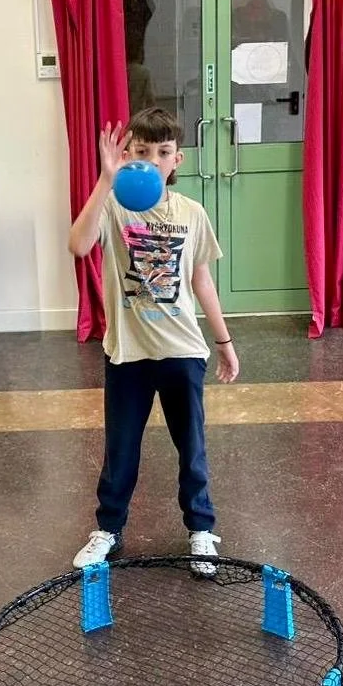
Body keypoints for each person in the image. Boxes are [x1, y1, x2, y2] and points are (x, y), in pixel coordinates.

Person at [67, 108, 239, 575]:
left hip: (183, 350)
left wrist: (223, 341)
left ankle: (201, 529)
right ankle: (108, 529)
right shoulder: (113, 206)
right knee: (120, 448)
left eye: (162, 152)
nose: (152, 160)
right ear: (127, 156)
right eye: (141, 151)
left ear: (176, 159)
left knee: (192, 446)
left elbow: (201, 279)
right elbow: (78, 245)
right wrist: (105, 180)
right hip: (129, 353)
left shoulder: (191, 213)